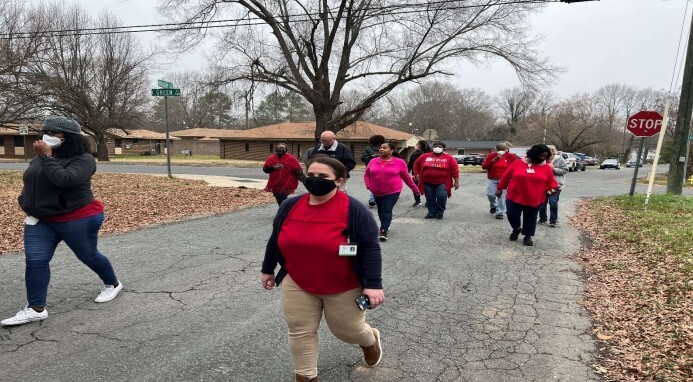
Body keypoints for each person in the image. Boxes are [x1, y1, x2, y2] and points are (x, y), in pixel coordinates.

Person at [261, 156, 384, 382]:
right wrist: (268, 269)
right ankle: (306, 377)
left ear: (338, 181)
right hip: (297, 279)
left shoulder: (354, 210)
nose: (315, 180)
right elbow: (275, 238)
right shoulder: (290, 205)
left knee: (347, 331)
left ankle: (370, 339)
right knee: (300, 330)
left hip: (343, 284)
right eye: (311, 175)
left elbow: (369, 248)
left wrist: (373, 285)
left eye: (323, 177)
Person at [2, 116, 122, 327]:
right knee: (36, 261)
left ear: (70, 138)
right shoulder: (41, 157)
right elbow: (33, 180)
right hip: (42, 219)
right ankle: (36, 308)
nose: (47, 136)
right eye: (45, 132)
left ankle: (112, 284)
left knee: (88, 255)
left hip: (77, 217)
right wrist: (25, 201)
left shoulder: (84, 159)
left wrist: (47, 158)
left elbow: (66, 180)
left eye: (54, 133)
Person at [496, 144, 558, 246]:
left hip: (534, 198)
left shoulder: (546, 168)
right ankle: (516, 229)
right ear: (534, 154)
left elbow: (551, 183)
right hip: (514, 195)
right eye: (541, 155)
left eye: (545, 156)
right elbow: (506, 176)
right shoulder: (517, 163)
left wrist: (552, 189)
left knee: (531, 217)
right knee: (511, 214)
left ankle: (527, 236)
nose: (543, 158)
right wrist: (499, 188)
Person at [364, 142, 420, 241]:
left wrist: (415, 189)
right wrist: (369, 186)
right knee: (381, 210)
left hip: (392, 191)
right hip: (376, 191)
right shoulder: (373, 161)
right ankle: (385, 224)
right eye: (381, 148)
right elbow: (367, 175)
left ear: (392, 150)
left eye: (385, 148)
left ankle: (383, 230)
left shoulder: (399, 162)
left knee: (386, 209)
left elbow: (406, 177)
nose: (381, 149)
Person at [413, 141, 460, 219]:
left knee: (441, 196)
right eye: (435, 146)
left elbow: (455, 170)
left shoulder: (449, 158)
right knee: (430, 197)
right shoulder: (425, 156)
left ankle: (440, 211)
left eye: (440, 146)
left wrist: (456, 181)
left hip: (442, 182)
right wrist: (416, 173)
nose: (437, 148)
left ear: (444, 148)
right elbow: (416, 163)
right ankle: (431, 212)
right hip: (427, 181)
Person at [481, 143, 517, 219]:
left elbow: (514, 168)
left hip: (504, 179)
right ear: (496, 149)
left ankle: (500, 212)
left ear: (506, 149)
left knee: (502, 196)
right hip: (492, 178)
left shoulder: (511, 156)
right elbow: (484, 166)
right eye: (499, 150)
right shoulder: (492, 155)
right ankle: (493, 206)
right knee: (491, 194)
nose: (501, 151)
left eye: (503, 150)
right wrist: (494, 160)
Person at [538, 145, 568, 227]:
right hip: (543, 184)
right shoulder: (542, 159)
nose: (550, 152)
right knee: (542, 203)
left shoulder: (559, 159)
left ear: (554, 151)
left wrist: (553, 169)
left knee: (553, 202)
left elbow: (565, 170)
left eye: (552, 150)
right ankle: (542, 218)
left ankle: (553, 220)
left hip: (555, 185)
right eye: (548, 151)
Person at [361, 134, 386, 207]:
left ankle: (377, 197)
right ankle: (373, 198)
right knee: (374, 183)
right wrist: (372, 157)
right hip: (371, 168)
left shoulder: (385, 147)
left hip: (383, 167)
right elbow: (363, 158)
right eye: (378, 144)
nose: (379, 146)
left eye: (381, 144)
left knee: (381, 182)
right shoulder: (369, 149)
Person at [407, 140, 431, 207]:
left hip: (426, 175)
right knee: (415, 188)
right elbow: (410, 164)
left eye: (418, 145)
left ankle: (428, 201)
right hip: (416, 175)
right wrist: (406, 172)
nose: (417, 146)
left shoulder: (430, 154)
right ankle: (417, 201)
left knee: (427, 189)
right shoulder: (415, 154)